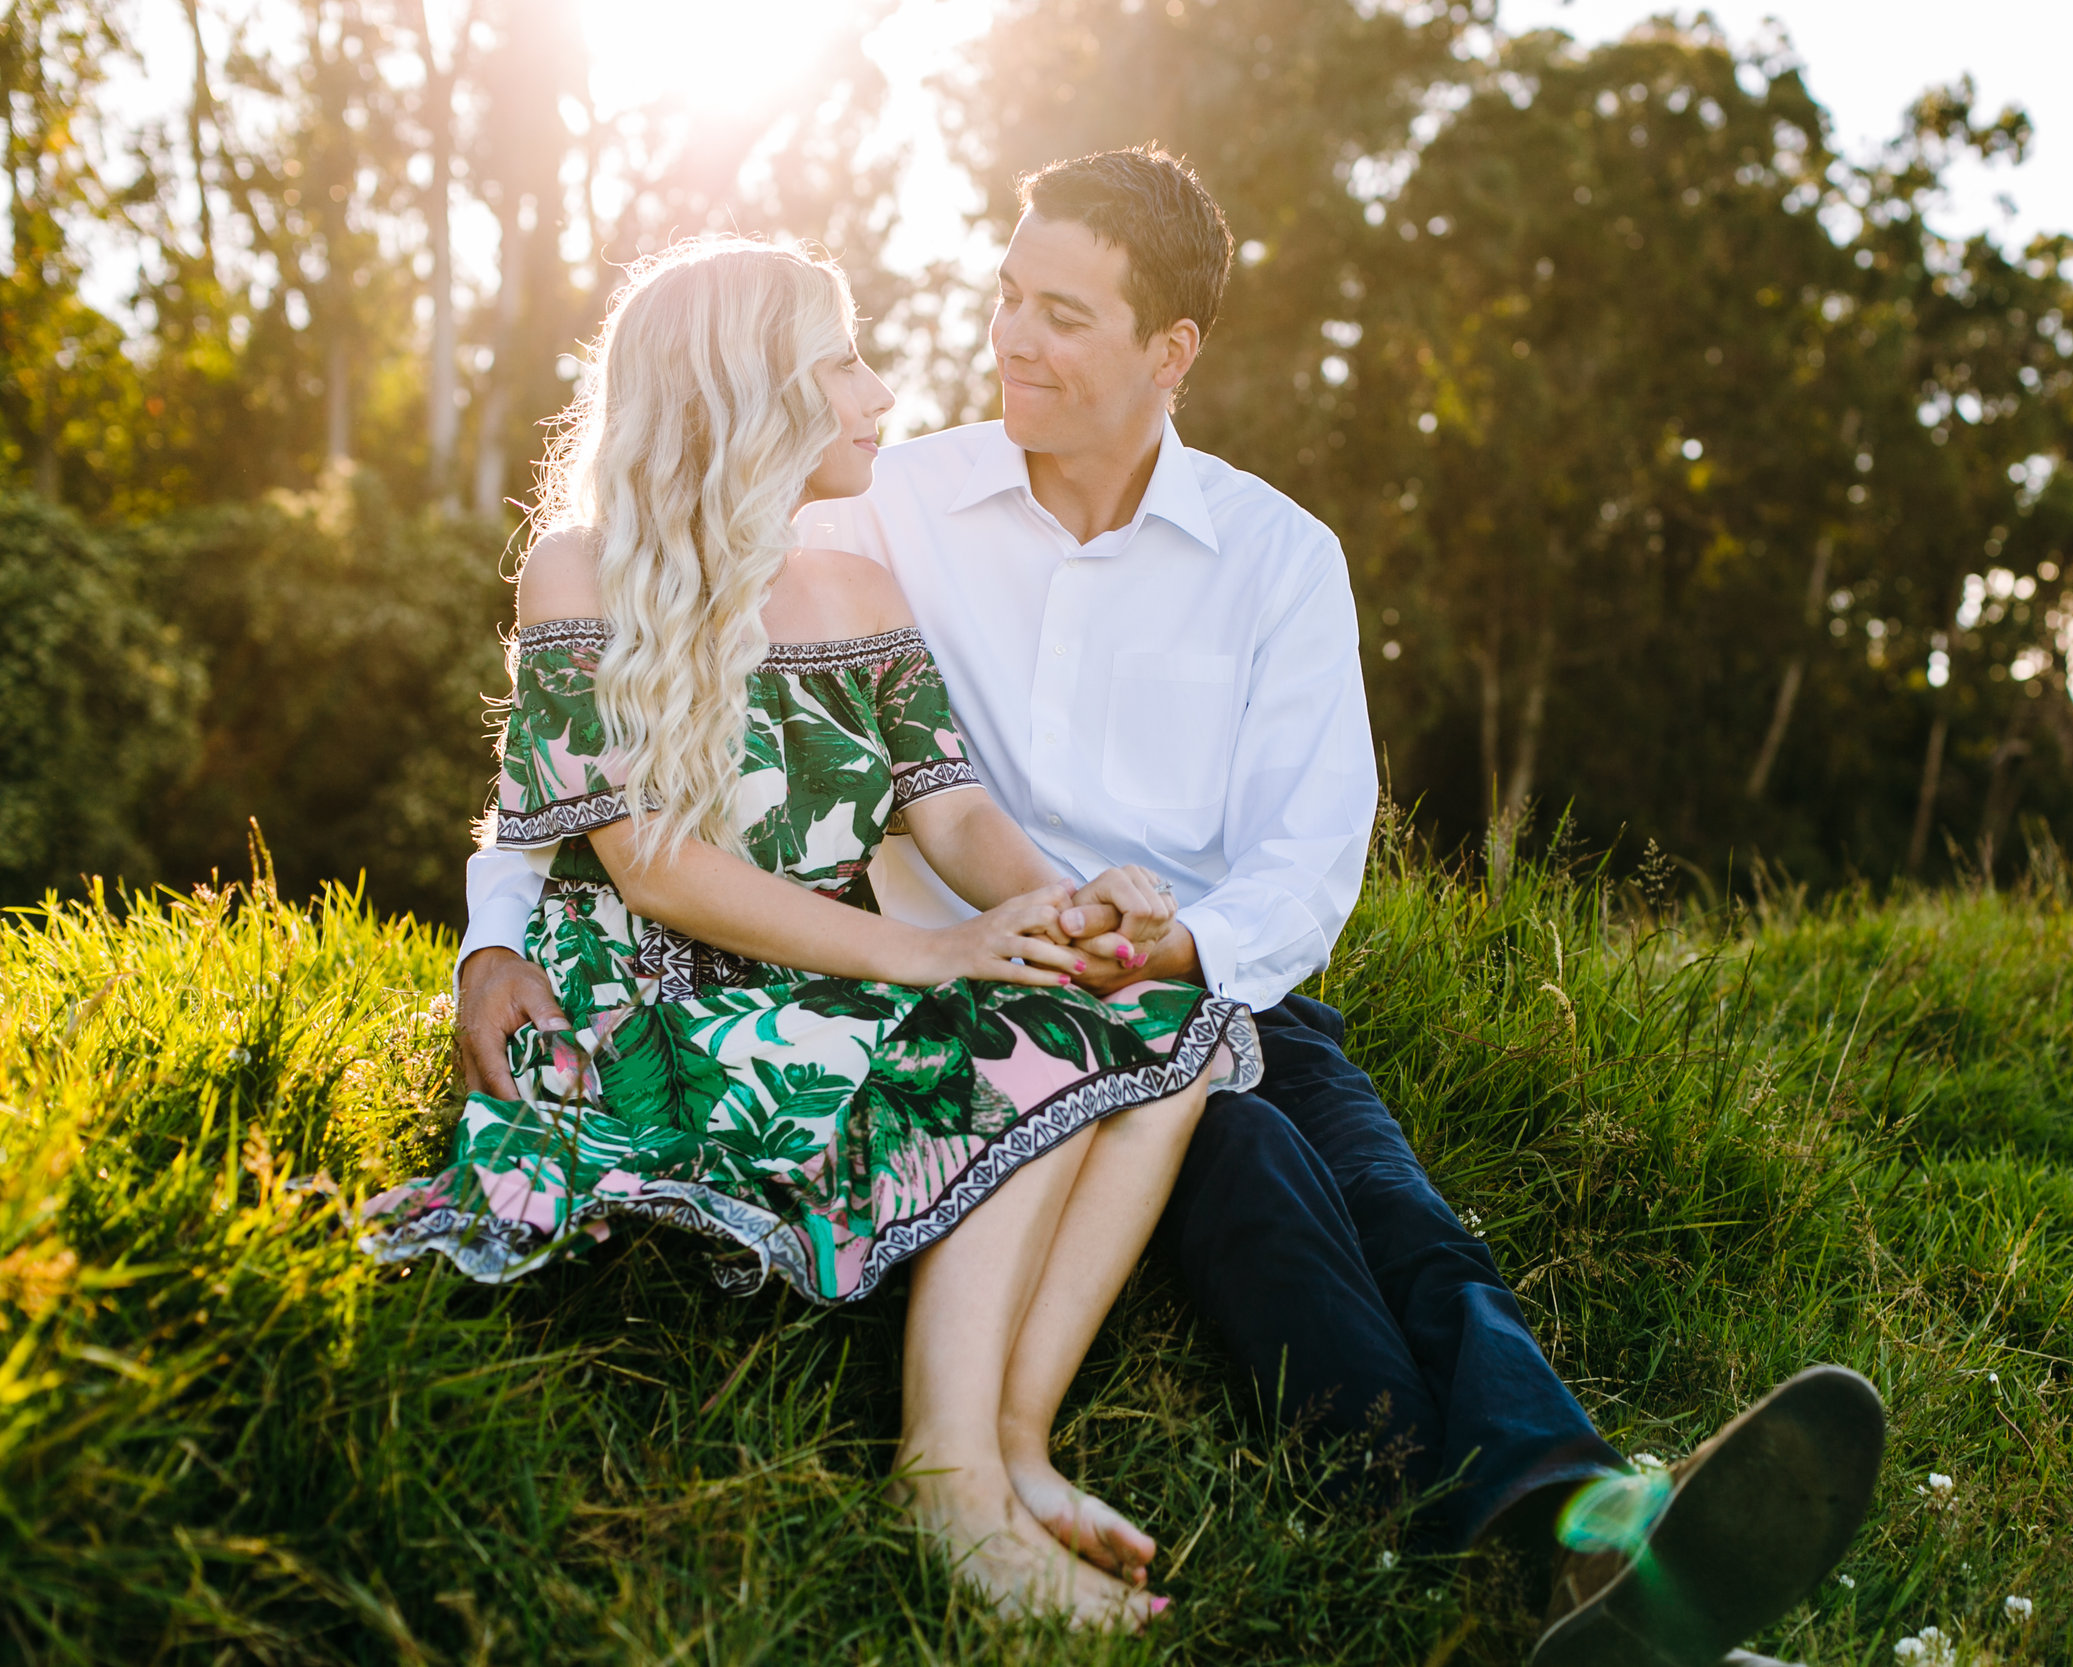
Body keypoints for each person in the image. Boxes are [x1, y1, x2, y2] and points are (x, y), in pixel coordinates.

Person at [455, 150, 1884, 1666]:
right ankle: (1525, 1559)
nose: (1006, 340)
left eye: (1061, 315)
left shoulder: (1275, 559)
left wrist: (1171, 945)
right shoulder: (890, 504)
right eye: (1007, 298)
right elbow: (604, 756)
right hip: (990, 969)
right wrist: (493, 929)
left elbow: (1310, 853)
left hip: (1194, 958)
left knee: (1399, 1209)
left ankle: (1594, 1522)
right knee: (1265, 1194)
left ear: (1168, 351)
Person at [363, 237, 1264, 1632]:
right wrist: (940, 955)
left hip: (827, 967)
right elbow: (651, 869)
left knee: (1170, 1030)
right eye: (842, 356)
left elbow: (954, 815)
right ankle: (947, 1488)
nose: (879, 388)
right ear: (749, 384)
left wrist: (1060, 904)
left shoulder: (856, 589)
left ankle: (1014, 1446)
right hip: (664, 994)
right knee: (1016, 1043)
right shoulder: (582, 572)